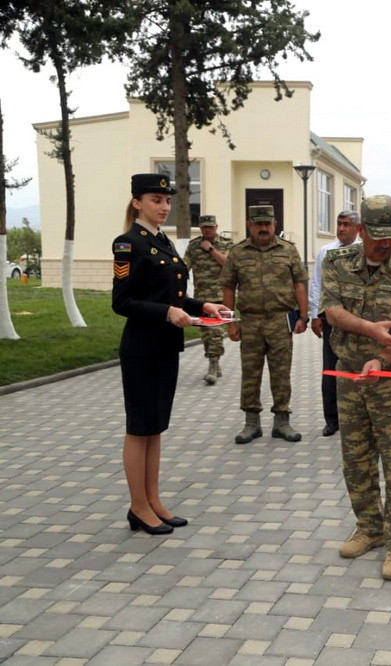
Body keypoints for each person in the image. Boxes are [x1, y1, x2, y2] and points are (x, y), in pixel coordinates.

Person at [319, 194, 391, 581]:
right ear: (362, 230)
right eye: (379, 237)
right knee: (357, 457)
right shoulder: (337, 262)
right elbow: (331, 309)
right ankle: (370, 527)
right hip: (349, 377)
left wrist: (383, 359)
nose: (386, 245)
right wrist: (370, 330)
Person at [112, 173, 225, 535]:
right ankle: (138, 505)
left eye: (166, 201)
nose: (164, 207)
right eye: (155, 200)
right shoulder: (128, 244)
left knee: (156, 427)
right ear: (137, 203)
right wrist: (166, 313)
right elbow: (122, 302)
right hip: (142, 348)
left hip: (165, 346)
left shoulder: (162, 242)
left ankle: (153, 500)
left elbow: (173, 297)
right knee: (139, 427)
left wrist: (203, 304)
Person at [220, 205, 309, 444]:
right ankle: (251, 424)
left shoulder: (288, 251)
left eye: (267, 224)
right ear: (250, 225)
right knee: (250, 373)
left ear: (274, 224)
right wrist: (230, 323)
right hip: (250, 321)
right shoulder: (238, 253)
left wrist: (303, 316)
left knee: (281, 373)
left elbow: (300, 282)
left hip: (280, 321)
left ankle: (282, 422)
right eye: (258, 224)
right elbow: (228, 286)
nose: (263, 228)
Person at [309, 211, 361, 437]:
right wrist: (315, 315)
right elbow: (317, 285)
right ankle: (332, 419)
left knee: (357, 367)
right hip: (332, 320)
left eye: (346, 224)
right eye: (339, 224)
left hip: (359, 321)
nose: (341, 228)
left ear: (358, 228)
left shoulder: (364, 250)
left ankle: (358, 416)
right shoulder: (326, 252)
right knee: (330, 369)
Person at [183, 214, 232, 384]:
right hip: (201, 298)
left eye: (210, 227)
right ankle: (214, 361)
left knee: (216, 332)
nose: (207, 230)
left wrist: (210, 249)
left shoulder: (226, 243)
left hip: (220, 296)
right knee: (205, 333)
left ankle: (213, 364)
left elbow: (228, 264)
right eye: (204, 227)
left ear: (216, 227)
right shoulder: (194, 245)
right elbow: (184, 267)